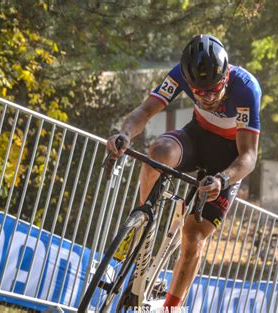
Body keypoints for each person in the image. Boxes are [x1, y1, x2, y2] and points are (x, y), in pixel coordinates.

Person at [106, 34, 261, 310]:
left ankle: (171, 307)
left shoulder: (246, 89)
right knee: (159, 152)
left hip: (228, 161)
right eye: (200, 93)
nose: (209, 98)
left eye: (215, 90)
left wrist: (224, 179)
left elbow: (249, 155)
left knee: (193, 238)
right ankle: (143, 218)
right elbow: (145, 111)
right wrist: (124, 134)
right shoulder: (180, 73)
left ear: (226, 77)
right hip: (197, 138)